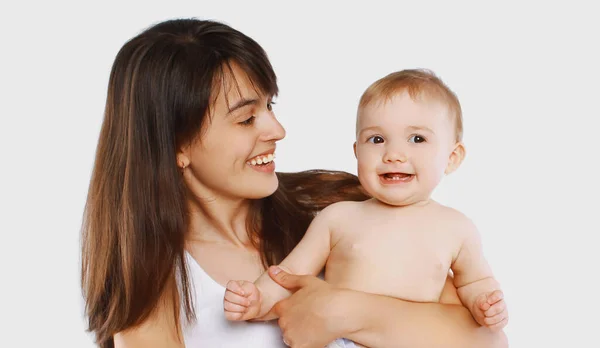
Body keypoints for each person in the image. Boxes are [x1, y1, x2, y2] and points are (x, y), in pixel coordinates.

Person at [80, 18, 508, 348]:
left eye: (270, 105)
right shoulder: (159, 283)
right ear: (178, 145)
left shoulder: (342, 205)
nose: (277, 129)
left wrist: (344, 310)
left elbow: (487, 340)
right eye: (247, 118)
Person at [223, 69, 509, 347]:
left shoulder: (456, 228)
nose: (394, 155)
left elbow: (475, 282)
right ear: (357, 151)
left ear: (452, 157)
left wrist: (486, 303)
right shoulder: (339, 217)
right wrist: (258, 300)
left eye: (417, 139)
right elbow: (291, 274)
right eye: (377, 139)